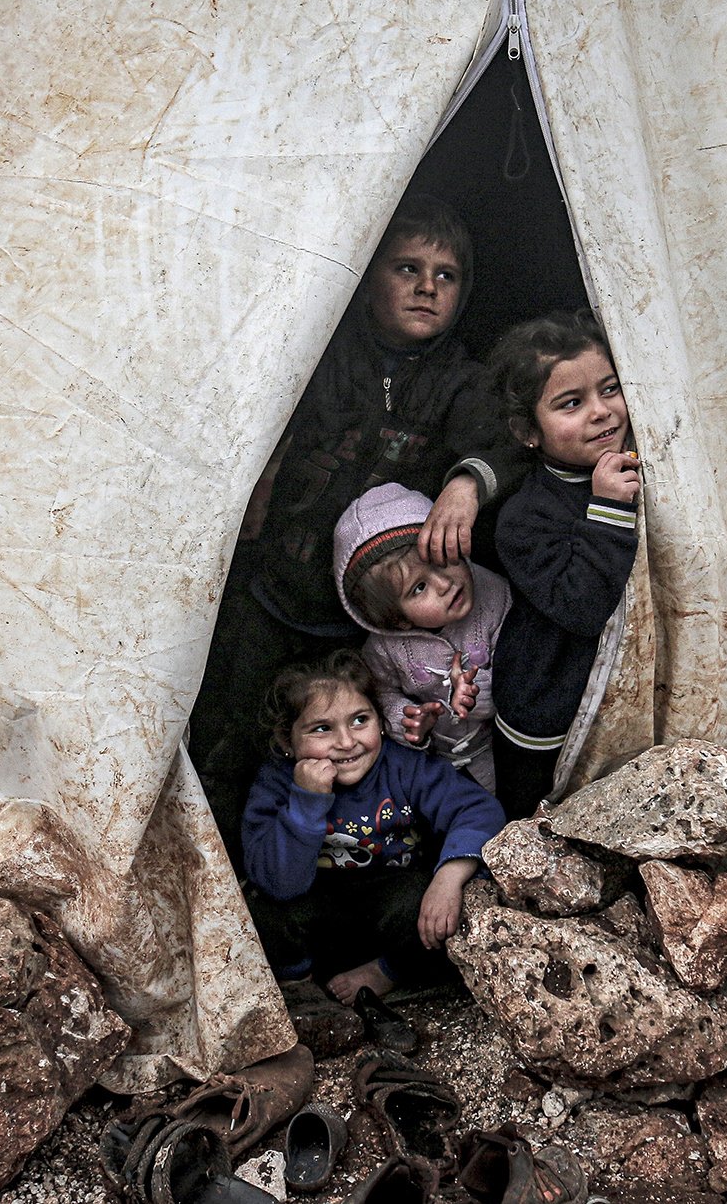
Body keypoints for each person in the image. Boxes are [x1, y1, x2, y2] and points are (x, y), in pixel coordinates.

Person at [187, 197, 526, 860]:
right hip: (273, 590)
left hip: (367, 621)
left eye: (447, 275)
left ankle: (330, 894)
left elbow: (506, 440)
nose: (427, 287)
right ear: (366, 275)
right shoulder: (321, 347)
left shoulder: (460, 379)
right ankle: (221, 874)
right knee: (232, 733)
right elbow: (253, 407)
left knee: (347, 755)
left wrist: (466, 481)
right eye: (407, 267)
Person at [240, 651, 505, 1003]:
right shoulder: (277, 782)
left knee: (429, 900)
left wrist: (449, 877)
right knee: (258, 904)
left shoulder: (403, 767)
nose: (347, 742)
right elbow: (277, 881)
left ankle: (387, 971)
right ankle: (299, 988)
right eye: (322, 728)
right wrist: (306, 801)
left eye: (360, 720)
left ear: (380, 721)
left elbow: (477, 809)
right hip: (312, 908)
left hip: (387, 906)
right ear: (289, 742)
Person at [486, 312, 641, 820]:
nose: (601, 413)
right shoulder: (522, 520)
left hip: (620, 698)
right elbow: (581, 606)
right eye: (571, 404)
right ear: (528, 431)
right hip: (545, 707)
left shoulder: (648, 459)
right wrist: (610, 508)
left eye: (610, 389)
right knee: (534, 822)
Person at [334, 482, 511, 792]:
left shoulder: (495, 597)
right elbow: (379, 693)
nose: (444, 583)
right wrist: (407, 719)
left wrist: (474, 691)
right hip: (432, 761)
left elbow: (524, 675)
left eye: (441, 559)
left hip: (500, 747)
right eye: (419, 588)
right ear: (398, 620)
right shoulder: (385, 648)